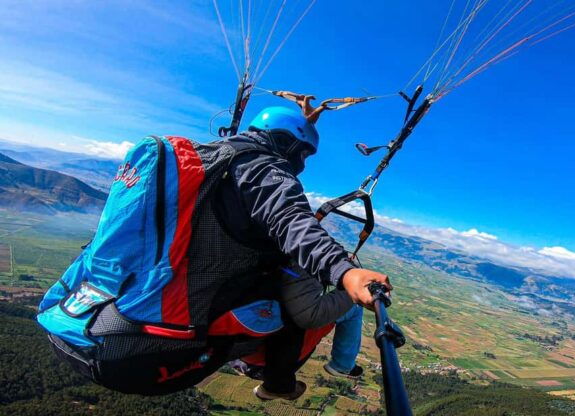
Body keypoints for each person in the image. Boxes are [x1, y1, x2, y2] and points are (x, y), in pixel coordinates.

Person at [37, 99, 391, 400]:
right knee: (292, 305)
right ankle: (277, 381)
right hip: (144, 350)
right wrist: (344, 272)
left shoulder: (209, 161)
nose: (302, 164)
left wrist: (300, 122)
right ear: (288, 146)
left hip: (81, 320)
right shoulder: (265, 169)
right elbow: (291, 222)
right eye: (303, 154)